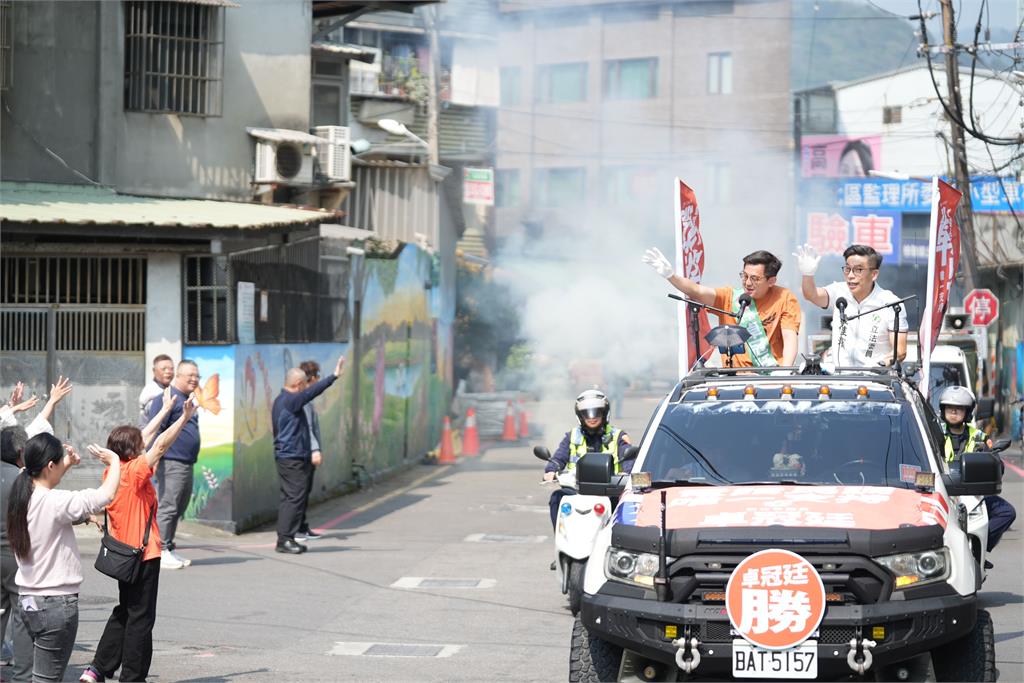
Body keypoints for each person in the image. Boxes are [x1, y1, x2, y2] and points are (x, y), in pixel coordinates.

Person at [79, 390, 196, 683]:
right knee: (141, 619)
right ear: (133, 452)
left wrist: (165, 408)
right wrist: (183, 418)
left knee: (126, 610)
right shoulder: (136, 472)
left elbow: (144, 436)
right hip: (142, 555)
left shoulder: (113, 472)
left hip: (122, 554)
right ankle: (131, 677)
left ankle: (97, 668)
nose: (143, 446)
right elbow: (158, 444)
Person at [6, 434, 121, 683]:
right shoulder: (54, 502)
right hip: (55, 604)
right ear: (49, 465)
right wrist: (115, 461)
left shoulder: (21, 494)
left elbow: (45, 485)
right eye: (58, 462)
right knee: (46, 679)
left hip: (28, 601)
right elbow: (105, 496)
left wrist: (65, 464)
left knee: (29, 677)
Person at [643, 247, 801, 367]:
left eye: (754, 279)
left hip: (770, 376)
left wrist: (784, 374)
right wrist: (671, 275)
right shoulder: (730, 297)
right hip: (733, 378)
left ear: (771, 281)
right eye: (744, 276)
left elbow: (789, 338)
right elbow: (697, 290)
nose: (747, 283)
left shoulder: (784, 298)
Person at [272, 354, 346, 554]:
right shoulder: (290, 401)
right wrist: (334, 376)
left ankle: (286, 537)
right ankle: (285, 539)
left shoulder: (282, 400)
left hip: (291, 456)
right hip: (292, 458)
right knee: (294, 499)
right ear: (297, 384)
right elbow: (312, 393)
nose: (306, 388)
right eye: (304, 385)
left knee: (291, 498)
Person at [795, 243, 908, 368]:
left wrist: (881, 365)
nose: (850, 276)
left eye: (858, 270)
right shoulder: (838, 291)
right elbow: (812, 295)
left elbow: (900, 351)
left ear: (874, 274)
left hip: (874, 379)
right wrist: (807, 274)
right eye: (848, 269)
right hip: (839, 377)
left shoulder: (891, 303)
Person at [937, 386, 1016, 555]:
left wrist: (992, 462)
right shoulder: (934, 434)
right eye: (949, 407)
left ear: (968, 412)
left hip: (973, 494)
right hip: (943, 491)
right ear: (942, 410)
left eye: (959, 408)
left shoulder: (979, 436)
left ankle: (978, 549)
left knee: (1007, 512)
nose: (953, 411)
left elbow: (996, 465)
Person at [543, 389, 633, 529]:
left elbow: (629, 458)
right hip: (577, 490)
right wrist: (551, 470)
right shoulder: (571, 436)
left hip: (609, 491)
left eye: (597, 412)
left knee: (626, 507)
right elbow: (559, 457)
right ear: (580, 416)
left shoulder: (619, 436)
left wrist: (627, 472)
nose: (592, 417)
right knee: (557, 498)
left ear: (605, 413)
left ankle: (615, 542)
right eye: (586, 413)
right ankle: (562, 537)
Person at [145, 360, 201, 570]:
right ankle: (159, 550)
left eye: (197, 376)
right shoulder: (167, 399)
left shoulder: (187, 399)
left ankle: (168, 545)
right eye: (190, 375)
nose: (194, 379)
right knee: (168, 506)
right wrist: (155, 457)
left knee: (179, 505)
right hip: (170, 462)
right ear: (178, 375)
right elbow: (156, 428)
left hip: (186, 462)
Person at [296, 361, 324, 542]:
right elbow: (307, 427)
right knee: (300, 493)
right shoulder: (303, 399)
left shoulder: (304, 398)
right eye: (318, 377)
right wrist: (315, 449)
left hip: (306, 451)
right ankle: (297, 529)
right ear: (312, 379)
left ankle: (302, 527)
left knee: (303, 492)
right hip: (304, 453)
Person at [137, 355, 174, 427]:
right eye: (164, 369)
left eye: (171, 369)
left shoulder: (170, 390)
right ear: (154, 371)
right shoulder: (152, 392)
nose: (168, 372)